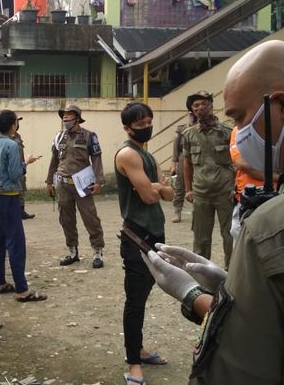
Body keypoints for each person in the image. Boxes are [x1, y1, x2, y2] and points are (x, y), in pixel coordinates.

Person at [143, 36, 284, 383]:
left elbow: (265, 346)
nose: (238, 133)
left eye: (240, 118)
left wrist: (195, 298)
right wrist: (236, 285)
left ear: (282, 105)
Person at [114, 102, 174, 384]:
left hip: (155, 234)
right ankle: (134, 363)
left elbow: (169, 194)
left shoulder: (146, 156)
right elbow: (151, 196)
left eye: (149, 121)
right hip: (136, 236)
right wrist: (156, 187)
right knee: (135, 301)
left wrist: (156, 187)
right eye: (140, 124)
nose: (146, 127)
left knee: (145, 295)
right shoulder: (128, 154)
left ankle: (138, 348)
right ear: (127, 128)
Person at [0, 109, 46, 303]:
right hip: (9, 197)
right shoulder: (11, 145)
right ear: (13, 125)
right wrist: (26, 162)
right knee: (16, 242)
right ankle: (22, 289)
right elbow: (14, 173)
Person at [46, 105, 106, 268]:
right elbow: (54, 160)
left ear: (77, 118)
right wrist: (49, 181)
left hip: (83, 185)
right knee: (66, 219)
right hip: (63, 185)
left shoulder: (89, 136)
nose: (65, 119)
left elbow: (96, 158)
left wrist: (99, 181)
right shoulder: (59, 137)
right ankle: (73, 251)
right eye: (64, 116)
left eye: (69, 116)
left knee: (90, 218)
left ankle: (97, 252)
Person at [181, 91, 235, 268]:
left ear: (211, 105)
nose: (199, 108)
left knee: (230, 235)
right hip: (201, 193)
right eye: (195, 106)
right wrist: (188, 189)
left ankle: (232, 272)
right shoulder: (188, 135)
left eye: (203, 104)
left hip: (226, 192)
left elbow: (238, 160)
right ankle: (202, 272)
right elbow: (187, 164)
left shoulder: (228, 131)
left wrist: (237, 187)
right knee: (201, 237)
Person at [170, 113, 195, 223]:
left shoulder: (203, 129)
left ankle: (197, 211)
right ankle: (177, 211)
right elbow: (176, 147)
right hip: (183, 158)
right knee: (180, 185)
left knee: (199, 185)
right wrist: (173, 164)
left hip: (198, 158)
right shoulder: (182, 129)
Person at [11, 116, 35, 220]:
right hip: (14, 167)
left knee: (22, 189)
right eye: (16, 122)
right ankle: (16, 212)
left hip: (21, 165)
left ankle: (21, 211)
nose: (18, 124)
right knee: (16, 190)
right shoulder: (8, 138)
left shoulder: (17, 136)